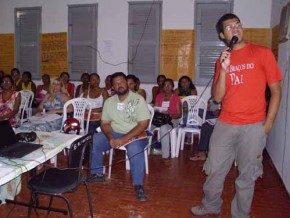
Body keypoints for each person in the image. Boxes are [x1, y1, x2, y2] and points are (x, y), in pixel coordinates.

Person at [189, 13, 282, 217]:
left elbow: (276, 91)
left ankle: (241, 214)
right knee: (214, 169)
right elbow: (218, 97)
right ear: (222, 36)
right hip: (225, 124)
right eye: (229, 27)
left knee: (247, 175)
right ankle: (211, 205)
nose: (235, 29)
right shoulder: (222, 60)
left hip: (253, 126)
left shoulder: (262, 53)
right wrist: (223, 70)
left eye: (237, 24)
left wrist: (267, 125)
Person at [87, 72, 150, 201]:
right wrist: (110, 137)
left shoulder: (138, 99)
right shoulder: (109, 102)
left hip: (135, 133)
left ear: (127, 83)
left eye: (121, 82)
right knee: (94, 140)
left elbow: (143, 124)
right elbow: (104, 123)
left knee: (135, 150)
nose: (119, 85)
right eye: (115, 84)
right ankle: (97, 173)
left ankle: (138, 185)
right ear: (113, 88)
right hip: (114, 132)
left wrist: (123, 139)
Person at [152, 78, 182, 159]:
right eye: (165, 85)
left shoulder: (176, 98)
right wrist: (157, 110)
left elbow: (179, 114)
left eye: (169, 85)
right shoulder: (159, 96)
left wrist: (170, 115)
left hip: (172, 119)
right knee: (146, 126)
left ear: (173, 87)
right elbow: (155, 109)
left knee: (163, 128)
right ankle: (146, 149)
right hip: (160, 119)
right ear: (163, 87)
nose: (167, 87)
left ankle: (165, 155)